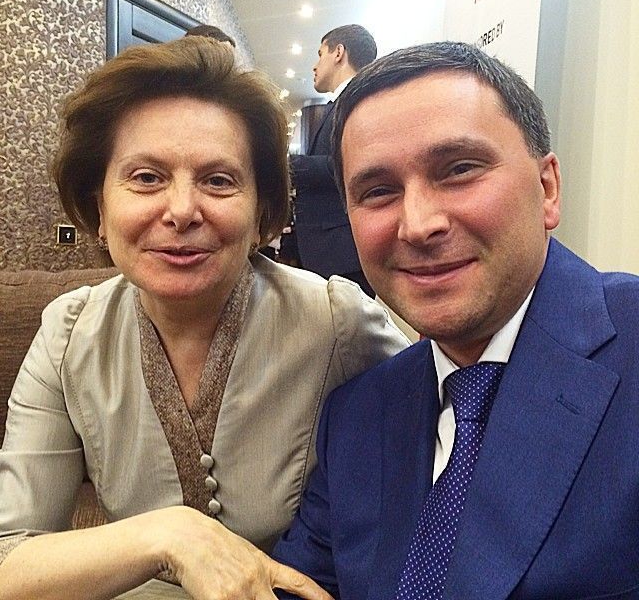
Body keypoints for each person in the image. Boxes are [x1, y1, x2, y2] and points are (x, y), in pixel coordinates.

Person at [0, 36, 409, 599]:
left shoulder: (338, 322)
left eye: (218, 180)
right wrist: (170, 535)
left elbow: (445, 456)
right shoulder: (67, 335)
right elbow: (9, 558)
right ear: (99, 209)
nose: (181, 211)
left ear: (262, 212)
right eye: (146, 177)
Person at [267, 42, 639, 598]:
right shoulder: (357, 415)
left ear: (547, 188)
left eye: (459, 170)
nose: (418, 224)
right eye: (378, 192)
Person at [288, 24, 377, 296]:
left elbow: (352, 164)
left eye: (320, 54)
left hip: (342, 252)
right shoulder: (341, 103)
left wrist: (290, 165)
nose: (315, 66)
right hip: (328, 250)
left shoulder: (361, 100)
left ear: (338, 53)